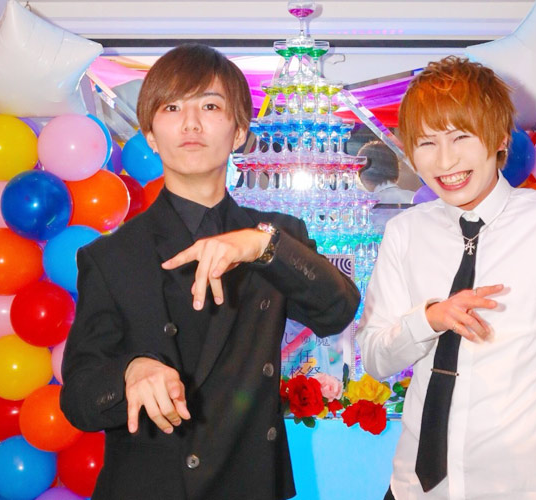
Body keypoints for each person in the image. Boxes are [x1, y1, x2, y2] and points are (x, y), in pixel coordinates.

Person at [60, 43, 360, 500]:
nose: (191, 123)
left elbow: (337, 310)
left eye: (210, 106)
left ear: (239, 132)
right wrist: (130, 372)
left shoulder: (275, 236)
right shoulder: (111, 256)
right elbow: (78, 397)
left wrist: (262, 247)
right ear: (151, 135)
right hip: (150, 488)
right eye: (172, 107)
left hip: (250, 483)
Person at [356, 56, 536, 500]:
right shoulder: (405, 232)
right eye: (427, 143)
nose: (445, 160)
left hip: (520, 486)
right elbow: (375, 359)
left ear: (498, 139)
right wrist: (429, 319)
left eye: (460, 137)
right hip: (416, 486)